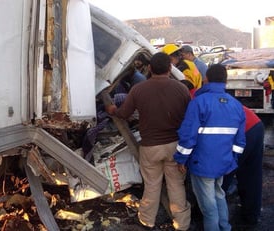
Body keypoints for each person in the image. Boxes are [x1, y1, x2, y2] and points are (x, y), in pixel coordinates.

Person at [106, 52, 191, 230]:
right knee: (176, 184)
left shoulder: (139, 89)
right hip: (175, 145)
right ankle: (182, 224)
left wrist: (113, 109)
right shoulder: (181, 89)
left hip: (151, 147)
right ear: (169, 68)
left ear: (150, 69)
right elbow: (189, 119)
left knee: (152, 185)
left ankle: (146, 220)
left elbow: (124, 114)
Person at [173, 64, 246, 231]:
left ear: (206, 79)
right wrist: (231, 160)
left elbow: (188, 136)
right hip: (223, 162)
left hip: (202, 163)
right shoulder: (236, 105)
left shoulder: (198, 102)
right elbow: (240, 141)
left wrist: (181, 159)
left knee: (208, 206)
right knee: (219, 194)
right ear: (226, 80)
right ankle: (225, 227)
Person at [222, 106, 264, 227]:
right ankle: (251, 216)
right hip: (255, 124)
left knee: (219, 178)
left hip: (239, 132)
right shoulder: (200, 94)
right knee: (251, 176)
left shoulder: (191, 101)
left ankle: (213, 219)